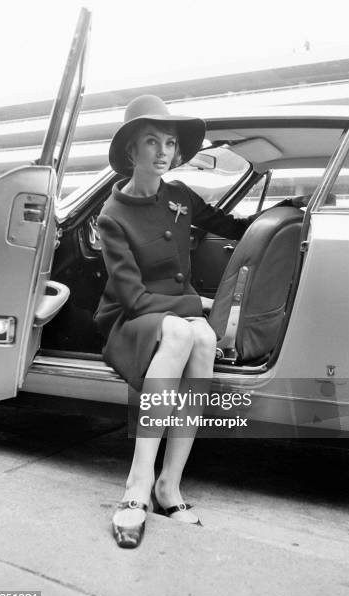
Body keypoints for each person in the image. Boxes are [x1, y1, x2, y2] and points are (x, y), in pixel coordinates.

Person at [94, 94, 261, 548]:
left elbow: (232, 226)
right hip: (130, 321)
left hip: (175, 315)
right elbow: (130, 296)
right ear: (131, 151)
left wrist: (283, 215)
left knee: (203, 341)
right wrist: (194, 312)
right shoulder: (112, 215)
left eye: (169, 142)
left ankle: (169, 484)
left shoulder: (181, 195)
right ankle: (136, 484)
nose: (164, 150)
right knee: (183, 330)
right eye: (152, 141)